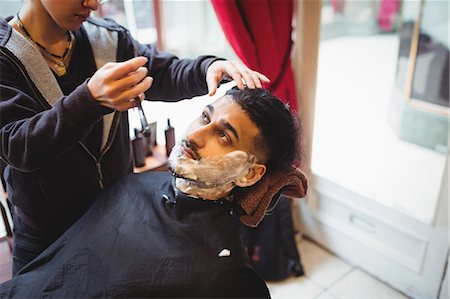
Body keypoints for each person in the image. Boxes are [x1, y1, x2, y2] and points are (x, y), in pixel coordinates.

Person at [0, 0, 270, 275]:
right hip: (47, 237)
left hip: (116, 219)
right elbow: (17, 146)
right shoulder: (5, 58)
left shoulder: (108, 40)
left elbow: (163, 73)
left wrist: (208, 69)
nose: (93, 3)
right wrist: (88, 101)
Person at [0, 87, 308, 298]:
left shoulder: (225, 275)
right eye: (204, 116)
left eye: (223, 135)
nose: (195, 135)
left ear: (251, 173)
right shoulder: (131, 185)